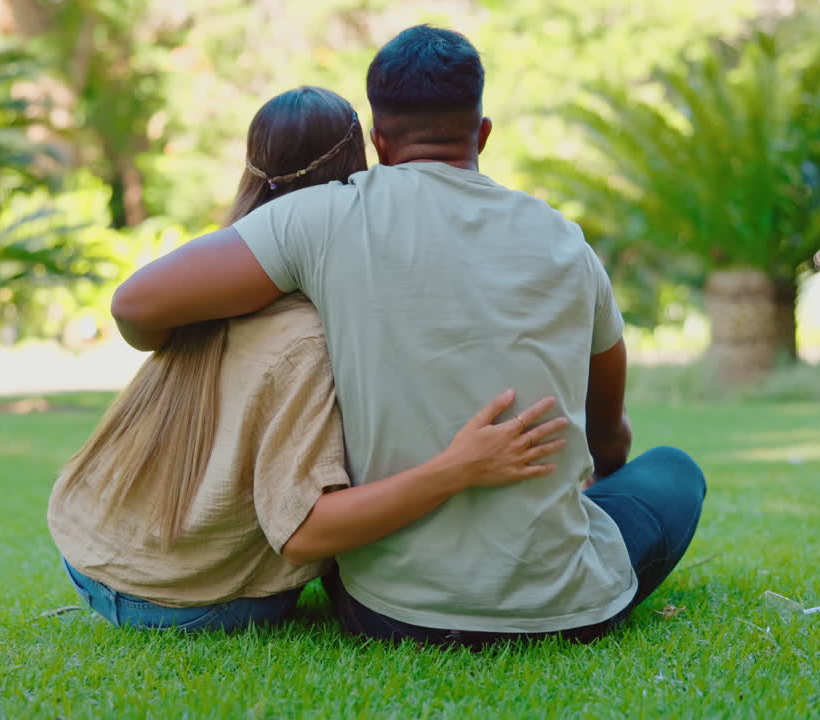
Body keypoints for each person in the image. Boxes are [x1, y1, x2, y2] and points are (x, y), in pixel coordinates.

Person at [110, 26, 707, 645]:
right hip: (569, 605)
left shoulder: (321, 218)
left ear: (380, 141)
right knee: (673, 472)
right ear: (483, 133)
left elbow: (135, 305)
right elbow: (612, 434)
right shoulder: (566, 243)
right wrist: (593, 477)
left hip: (389, 613)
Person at [48, 86, 570, 633]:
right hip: (185, 601)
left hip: (87, 556)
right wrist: (457, 468)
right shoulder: (307, 336)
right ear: (360, 164)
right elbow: (306, 535)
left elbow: (134, 311)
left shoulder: (205, 285)